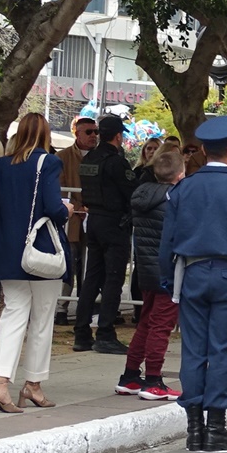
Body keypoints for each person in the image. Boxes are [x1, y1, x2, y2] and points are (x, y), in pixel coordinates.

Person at [160, 116, 227, 453]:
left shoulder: (182, 189)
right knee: (222, 350)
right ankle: (215, 428)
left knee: (194, 349)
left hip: (192, 274)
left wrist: (168, 280)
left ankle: (194, 428)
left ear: (204, 151)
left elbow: (167, 243)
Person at [0, 113, 74, 413]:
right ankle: (33, 384)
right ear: (45, 135)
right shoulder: (49, 162)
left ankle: (0, 381)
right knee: (42, 318)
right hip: (42, 251)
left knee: (12, 313)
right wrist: (67, 210)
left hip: (7, 251)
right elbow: (54, 207)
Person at [116, 151, 185, 400]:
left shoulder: (143, 195)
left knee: (146, 322)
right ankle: (153, 379)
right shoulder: (176, 199)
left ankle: (130, 375)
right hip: (169, 270)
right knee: (161, 326)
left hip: (145, 267)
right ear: (181, 174)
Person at [73, 115, 138, 354]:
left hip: (94, 220)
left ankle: (81, 334)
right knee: (113, 279)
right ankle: (105, 334)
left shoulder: (89, 158)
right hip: (114, 223)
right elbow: (132, 193)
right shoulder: (116, 162)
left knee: (92, 278)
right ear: (118, 136)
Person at [55, 116, 97, 325]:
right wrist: (78, 206)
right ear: (77, 133)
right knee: (68, 263)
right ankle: (61, 307)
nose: (93, 136)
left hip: (94, 219)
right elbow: (59, 189)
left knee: (90, 266)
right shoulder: (61, 157)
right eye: (88, 132)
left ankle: (87, 305)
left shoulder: (102, 157)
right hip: (71, 220)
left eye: (96, 132)